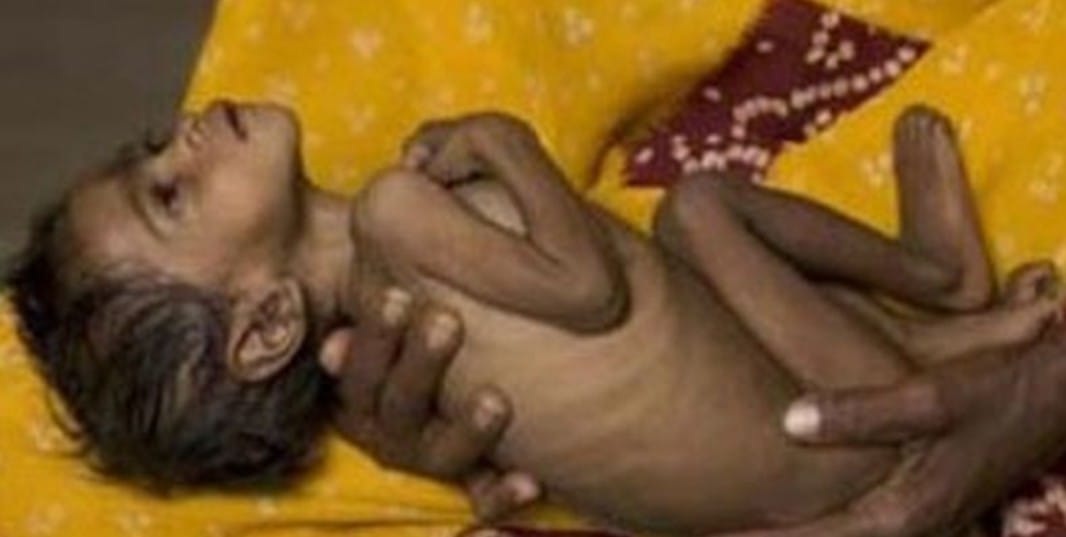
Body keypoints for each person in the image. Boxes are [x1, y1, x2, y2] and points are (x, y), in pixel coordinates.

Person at [6, 99, 1060, 534]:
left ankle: (945, 313)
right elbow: (588, 288)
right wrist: (504, 140)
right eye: (170, 196)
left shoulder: (385, 291)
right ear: (268, 325)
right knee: (699, 209)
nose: (182, 140)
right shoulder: (392, 216)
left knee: (695, 229)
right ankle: (941, 288)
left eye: (150, 150)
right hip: (845, 435)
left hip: (792, 462)